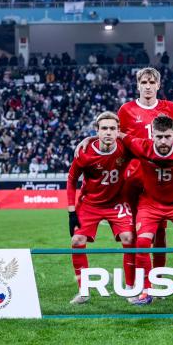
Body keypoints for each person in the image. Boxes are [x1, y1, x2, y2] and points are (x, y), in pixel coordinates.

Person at [120, 116, 173, 305]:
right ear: (152, 135)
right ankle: (145, 290)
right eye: (159, 137)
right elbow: (116, 135)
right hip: (150, 204)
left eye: (167, 137)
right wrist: (88, 140)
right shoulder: (141, 146)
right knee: (142, 242)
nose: (163, 141)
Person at [116, 67, 173, 272]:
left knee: (161, 231)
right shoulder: (126, 110)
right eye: (144, 83)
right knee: (132, 231)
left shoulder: (171, 108)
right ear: (137, 85)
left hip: (162, 177)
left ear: (158, 85)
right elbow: (115, 138)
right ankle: (132, 280)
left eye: (152, 83)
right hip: (134, 178)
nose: (147, 86)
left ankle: (158, 277)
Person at [66, 112, 134, 305]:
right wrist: (71, 211)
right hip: (90, 203)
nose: (108, 132)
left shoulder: (125, 148)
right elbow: (71, 180)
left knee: (129, 238)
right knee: (77, 240)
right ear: (97, 131)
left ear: (118, 131)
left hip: (117, 202)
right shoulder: (85, 153)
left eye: (113, 128)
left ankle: (130, 288)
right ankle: (84, 291)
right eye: (104, 128)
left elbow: (144, 147)